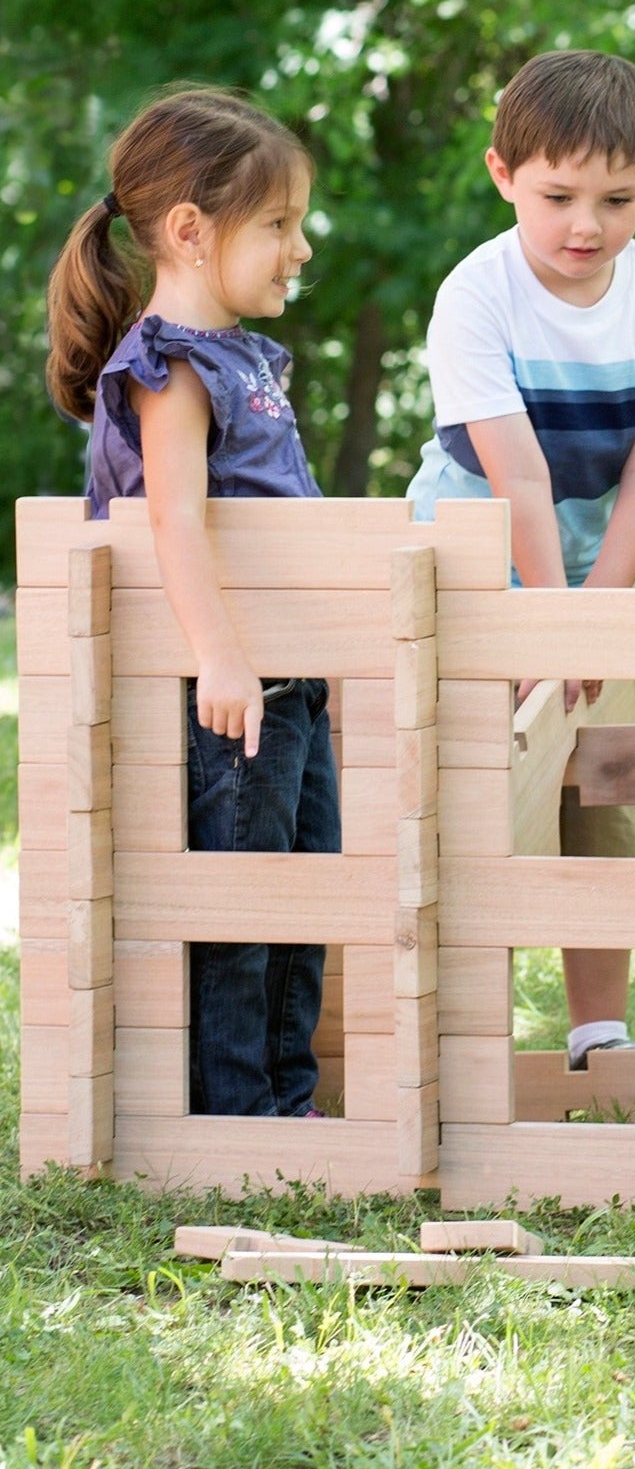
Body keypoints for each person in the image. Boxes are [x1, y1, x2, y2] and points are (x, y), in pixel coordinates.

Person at [46, 87, 340, 1116]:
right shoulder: (167, 370)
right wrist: (223, 660)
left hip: (291, 683)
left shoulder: (248, 357)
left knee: (304, 897)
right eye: (277, 224)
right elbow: (175, 520)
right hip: (226, 694)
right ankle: (236, 1116)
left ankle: (290, 1105)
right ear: (189, 231)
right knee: (240, 905)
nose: (298, 249)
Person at [408, 49, 635, 1071]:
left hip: (590, 575)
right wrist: (547, 624)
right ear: (503, 176)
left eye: (619, 199)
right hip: (473, 571)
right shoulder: (475, 294)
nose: (588, 225)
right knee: (463, 788)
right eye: (559, 196)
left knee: (605, 783)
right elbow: (519, 479)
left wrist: (594, 620)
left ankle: (598, 1033)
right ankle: (445, 1026)